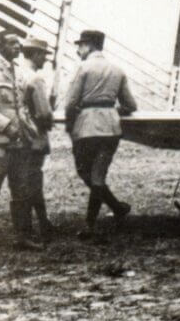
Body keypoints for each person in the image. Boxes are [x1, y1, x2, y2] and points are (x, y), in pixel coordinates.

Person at [63, 30, 136, 238]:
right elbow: (130, 105)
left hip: (86, 129)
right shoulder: (117, 69)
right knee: (98, 175)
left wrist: (71, 124)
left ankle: (90, 225)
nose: (78, 50)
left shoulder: (83, 68)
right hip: (110, 129)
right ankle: (116, 208)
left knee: (85, 173)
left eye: (80, 46)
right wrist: (109, 110)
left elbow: (70, 103)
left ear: (89, 46)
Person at [0, 32, 41, 249]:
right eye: (12, 43)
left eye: (18, 43)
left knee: (20, 190)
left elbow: (21, 106)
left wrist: (27, 129)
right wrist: (5, 126)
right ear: (0, 45)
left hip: (19, 141)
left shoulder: (18, 71)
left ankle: (22, 238)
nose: (18, 46)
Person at [20, 38, 55, 240]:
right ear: (34, 54)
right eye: (43, 55)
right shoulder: (35, 79)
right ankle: (42, 223)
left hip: (17, 135)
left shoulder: (16, 74)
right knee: (34, 180)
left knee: (22, 180)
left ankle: (29, 224)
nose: (45, 59)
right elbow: (43, 113)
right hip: (34, 136)